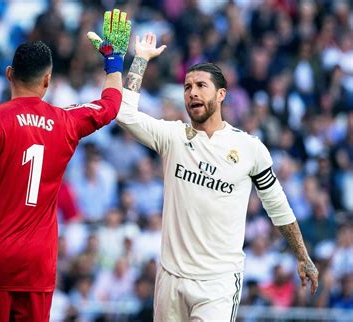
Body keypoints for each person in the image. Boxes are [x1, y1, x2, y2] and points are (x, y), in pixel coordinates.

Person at [0, 9, 131, 322]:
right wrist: (113, 62)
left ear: (9, 73)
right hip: (37, 265)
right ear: (47, 81)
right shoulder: (66, 122)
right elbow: (111, 106)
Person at [116, 33, 319, 322]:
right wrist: (141, 59)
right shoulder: (172, 136)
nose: (192, 93)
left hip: (218, 284)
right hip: (170, 279)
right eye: (187, 87)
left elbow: (278, 207)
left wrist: (302, 255)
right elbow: (125, 115)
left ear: (221, 94)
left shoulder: (249, 148)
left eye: (201, 86)